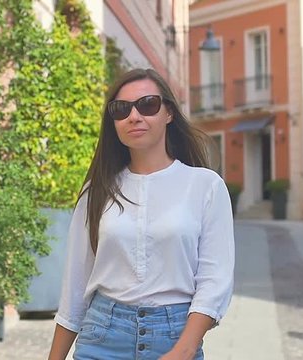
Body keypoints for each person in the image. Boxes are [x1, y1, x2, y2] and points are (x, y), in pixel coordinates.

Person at [47, 69, 234, 360]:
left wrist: (185, 348)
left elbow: (214, 279)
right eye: (121, 110)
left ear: (168, 113)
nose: (134, 116)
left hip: (175, 338)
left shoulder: (205, 186)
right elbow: (76, 282)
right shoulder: (97, 190)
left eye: (147, 104)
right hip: (101, 336)